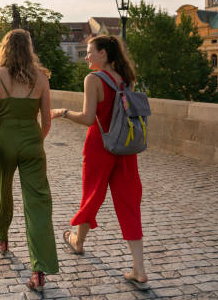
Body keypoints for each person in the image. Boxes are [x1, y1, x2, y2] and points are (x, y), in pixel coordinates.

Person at [51, 35, 148, 290]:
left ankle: (77, 241)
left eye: (90, 51)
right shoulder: (125, 79)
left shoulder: (92, 79)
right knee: (129, 204)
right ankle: (139, 269)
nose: (86, 56)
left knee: (92, 196)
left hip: (100, 145)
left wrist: (62, 112)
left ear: (103, 53)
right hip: (125, 147)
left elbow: (88, 118)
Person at [0, 29, 57, 292]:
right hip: (32, 142)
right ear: (29, 49)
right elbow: (47, 120)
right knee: (37, 203)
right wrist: (36, 140)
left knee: (4, 192)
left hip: (5, 142)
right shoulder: (42, 78)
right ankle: (39, 269)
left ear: (4, 48)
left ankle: (2, 239)